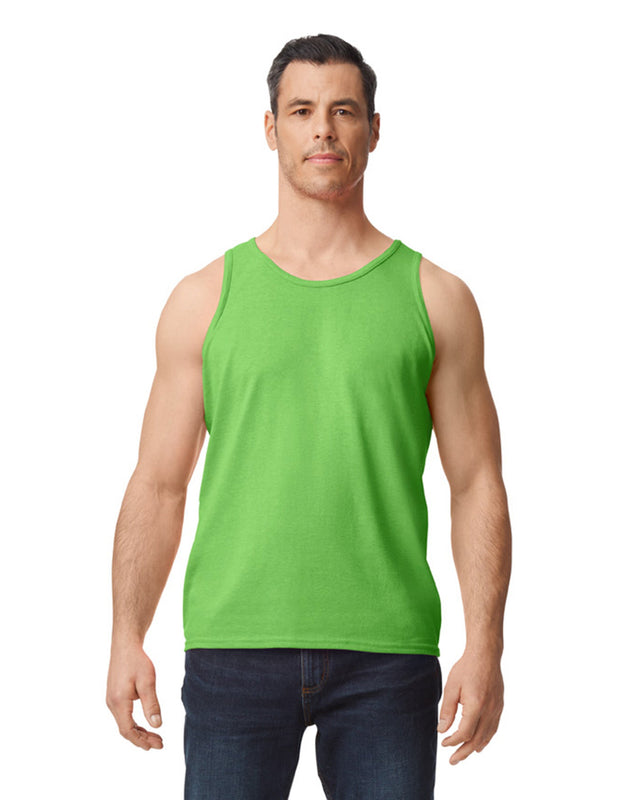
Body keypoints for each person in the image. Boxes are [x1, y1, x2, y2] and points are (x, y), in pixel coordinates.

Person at [106, 32, 512, 800]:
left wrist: (485, 643)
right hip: (234, 647)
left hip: (387, 656)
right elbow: (157, 485)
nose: (323, 129)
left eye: (343, 111)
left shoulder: (436, 299)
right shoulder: (203, 299)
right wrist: (127, 635)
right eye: (301, 111)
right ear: (271, 129)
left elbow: (476, 482)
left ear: (374, 129)